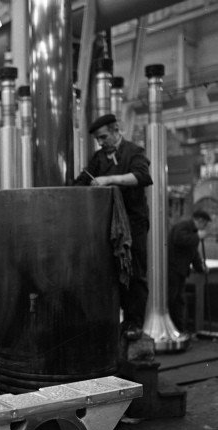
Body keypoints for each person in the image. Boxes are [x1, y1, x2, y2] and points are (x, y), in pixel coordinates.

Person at [73, 114, 153, 339]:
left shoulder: (134, 151)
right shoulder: (99, 158)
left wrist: (108, 180)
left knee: (135, 273)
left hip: (133, 223)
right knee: (109, 273)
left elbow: (142, 177)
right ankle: (113, 321)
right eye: (98, 139)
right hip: (108, 226)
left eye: (103, 137)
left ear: (117, 129)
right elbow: (81, 182)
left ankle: (134, 323)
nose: (101, 142)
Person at [168, 209, 211, 332]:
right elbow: (179, 239)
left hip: (180, 272)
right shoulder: (184, 226)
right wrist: (197, 236)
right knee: (173, 301)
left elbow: (193, 253)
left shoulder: (192, 231)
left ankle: (179, 329)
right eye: (205, 224)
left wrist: (201, 268)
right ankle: (174, 329)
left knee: (178, 301)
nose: (204, 227)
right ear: (200, 221)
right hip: (173, 271)